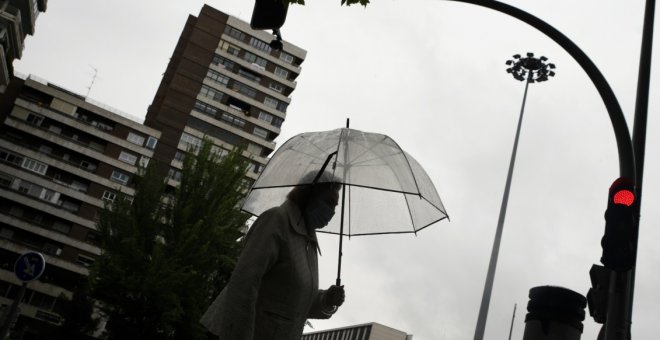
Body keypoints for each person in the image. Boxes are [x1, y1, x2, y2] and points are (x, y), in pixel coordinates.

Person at [200, 173, 345, 340]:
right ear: (309, 195)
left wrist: (326, 300)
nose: (332, 212)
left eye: (335, 206)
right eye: (328, 203)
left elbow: (294, 306)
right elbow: (244, 283)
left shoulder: (308, 241)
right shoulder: (277, 220)